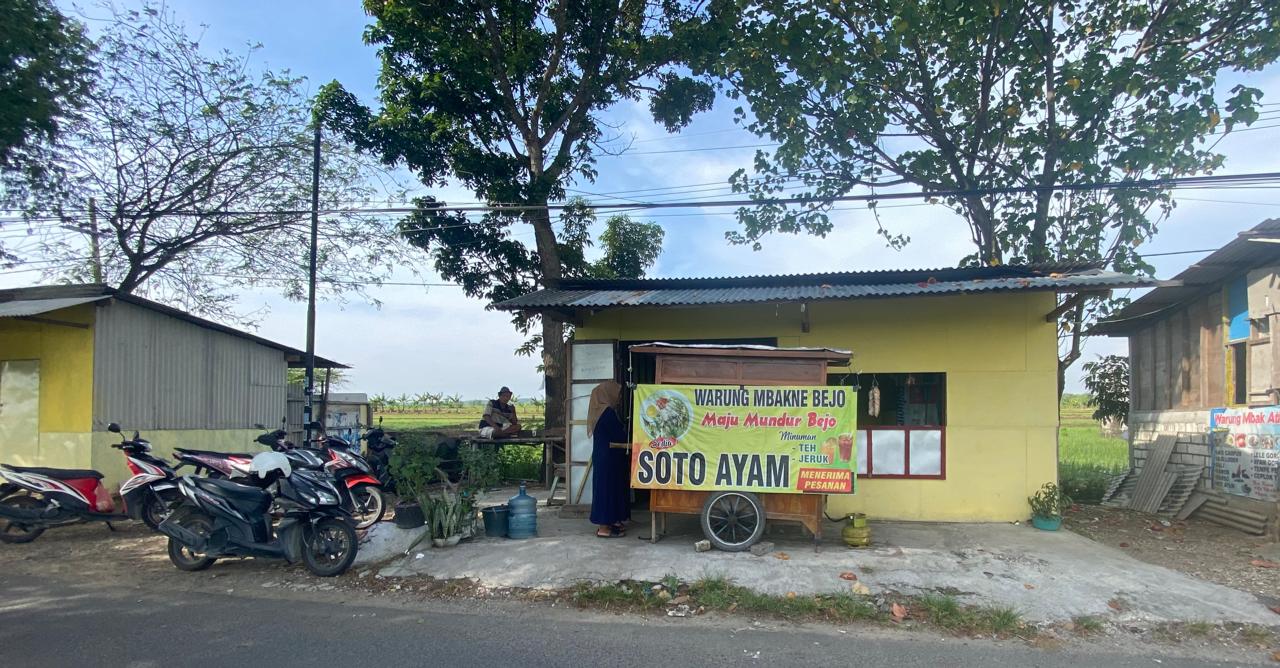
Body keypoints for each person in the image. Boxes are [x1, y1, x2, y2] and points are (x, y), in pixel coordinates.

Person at [588, 380, 630, 537]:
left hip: (607, 456)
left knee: (611, 489)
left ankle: (612, 521)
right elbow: (619, 435)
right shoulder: (607, 413)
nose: (619, 398)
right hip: (608, 457)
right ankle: (604, 527)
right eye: (617, 394)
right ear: (608, 394)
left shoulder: (601, 410)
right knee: (606, 490)